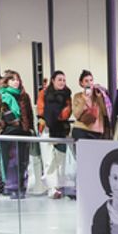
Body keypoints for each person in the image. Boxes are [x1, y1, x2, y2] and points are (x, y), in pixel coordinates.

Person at [0, 70, 34, 198]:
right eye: (13, 79)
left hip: (23, 133)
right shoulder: (0, 96)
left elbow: (29, 114)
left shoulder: (24, 96)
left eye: (17, 79)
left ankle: (21, 187)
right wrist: (2, 126)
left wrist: (30, 128)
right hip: (8, 133)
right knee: (9, 162)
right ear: (7, 81)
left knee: (22, 161)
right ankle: (11, 188)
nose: (16, 82)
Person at [42, 70, 73, 199]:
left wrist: (60, 116)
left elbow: (67, 112)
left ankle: (60, 186)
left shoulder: (67, 95)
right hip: (47, 130)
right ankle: (51, 188)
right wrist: (45, 120)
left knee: (61, 159)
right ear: (53, 80)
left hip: (62, 130)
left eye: (64, 80)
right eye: (59, 79)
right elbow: (40, 110)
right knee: (49, 160)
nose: (62, 82)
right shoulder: (44, 94)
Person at [72, 69, 110, 141]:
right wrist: (84, 100)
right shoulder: (78, 96)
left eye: (91, 80)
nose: (89, 83)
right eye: (86, 81)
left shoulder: (99, 94)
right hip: (81, 129)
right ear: (81, 83)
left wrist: (99, 98)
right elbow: (76, 114)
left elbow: (105, 112)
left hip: (96, 132)